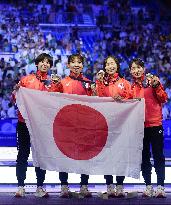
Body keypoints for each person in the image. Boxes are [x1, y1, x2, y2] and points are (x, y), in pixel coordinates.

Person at [13, 53, 62, 197]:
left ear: (50, 66)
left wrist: (57, 86)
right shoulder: (26, 80)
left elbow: (57, 101)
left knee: (41, 156)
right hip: (24, 123)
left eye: (48, 62)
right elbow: (15, 99)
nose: (45, 64)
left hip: (43, 125)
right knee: (23, 154)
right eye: (42, 61)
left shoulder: (53, 82)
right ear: (37, 63)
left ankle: (40, 187)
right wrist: (16, 91)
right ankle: (20, 186)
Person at [129, 58, 167, 198]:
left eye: (139, 67)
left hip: (155, 125)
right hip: (139, 127)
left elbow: (163, 98)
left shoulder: (152, 81)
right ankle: (148, 187)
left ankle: (161, 187)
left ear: (143, 69)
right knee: (144, 158)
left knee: (159, 157)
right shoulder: (131, 88)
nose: (136, 70)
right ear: (130, 71)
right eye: (134, 68)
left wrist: (157, 86)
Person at [96, 56, 133, 197]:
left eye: (112, 63)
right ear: (104, 68)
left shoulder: (125, 83)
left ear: (117, 66)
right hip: (105, 125)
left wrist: (123, 100)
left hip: (122, 125)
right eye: (107, 64)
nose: (110, 66)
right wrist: (99, 82)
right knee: (107, 156)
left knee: (120, 156)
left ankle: (120, 186)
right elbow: (98, 98)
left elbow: (133, 100)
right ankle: (109, 185)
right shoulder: (101, 83)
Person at [58, 53, 93, 198]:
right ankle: (64, 186)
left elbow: (95, 102)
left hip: (84, 126)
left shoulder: (88, 83)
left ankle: (84, 186)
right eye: (73, 62)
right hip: (66, 126)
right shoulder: (61, 83)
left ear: (83, 65)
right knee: (64, 156)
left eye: (79, 62)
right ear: (68, 65)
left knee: (85, 155)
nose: (76, 64)